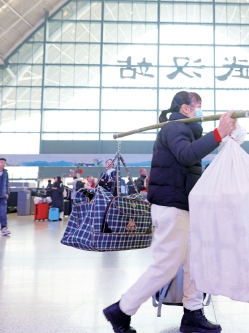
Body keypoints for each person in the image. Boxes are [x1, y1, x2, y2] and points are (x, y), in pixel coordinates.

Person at [102, 91, 236, 333]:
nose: (200, 112)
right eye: (198, 107)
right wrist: (218, 133)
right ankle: (121, 310)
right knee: (166, 265)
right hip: (172, 206)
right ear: (185, 108)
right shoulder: (174, 128)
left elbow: (192, 151)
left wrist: (222, 134)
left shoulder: (185, 130)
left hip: (184, 205)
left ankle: (193, 313)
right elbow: (186, 156)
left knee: (195, 262)